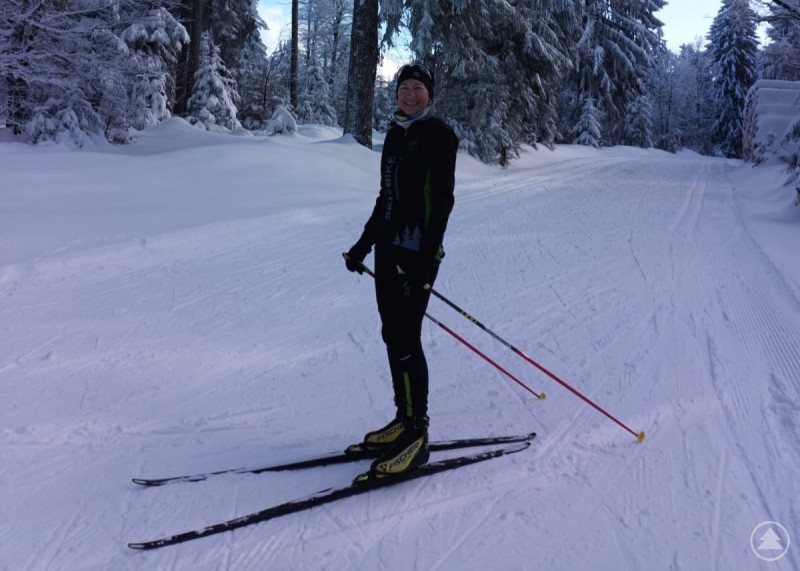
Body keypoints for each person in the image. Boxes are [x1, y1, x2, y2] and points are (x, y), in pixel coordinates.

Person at [343, 63, 459, 478]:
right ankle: (401, 420)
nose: (410, 95)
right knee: (392, 335)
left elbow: (442, 203)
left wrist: (425, 263)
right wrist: (363, 245)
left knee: (407, 339)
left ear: (430, 94)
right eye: (404, 88)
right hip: (388, 253)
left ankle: (417, 435)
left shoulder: (439, 136)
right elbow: (385, 198)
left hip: (417, 256)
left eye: (418, 88)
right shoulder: (393, 135)